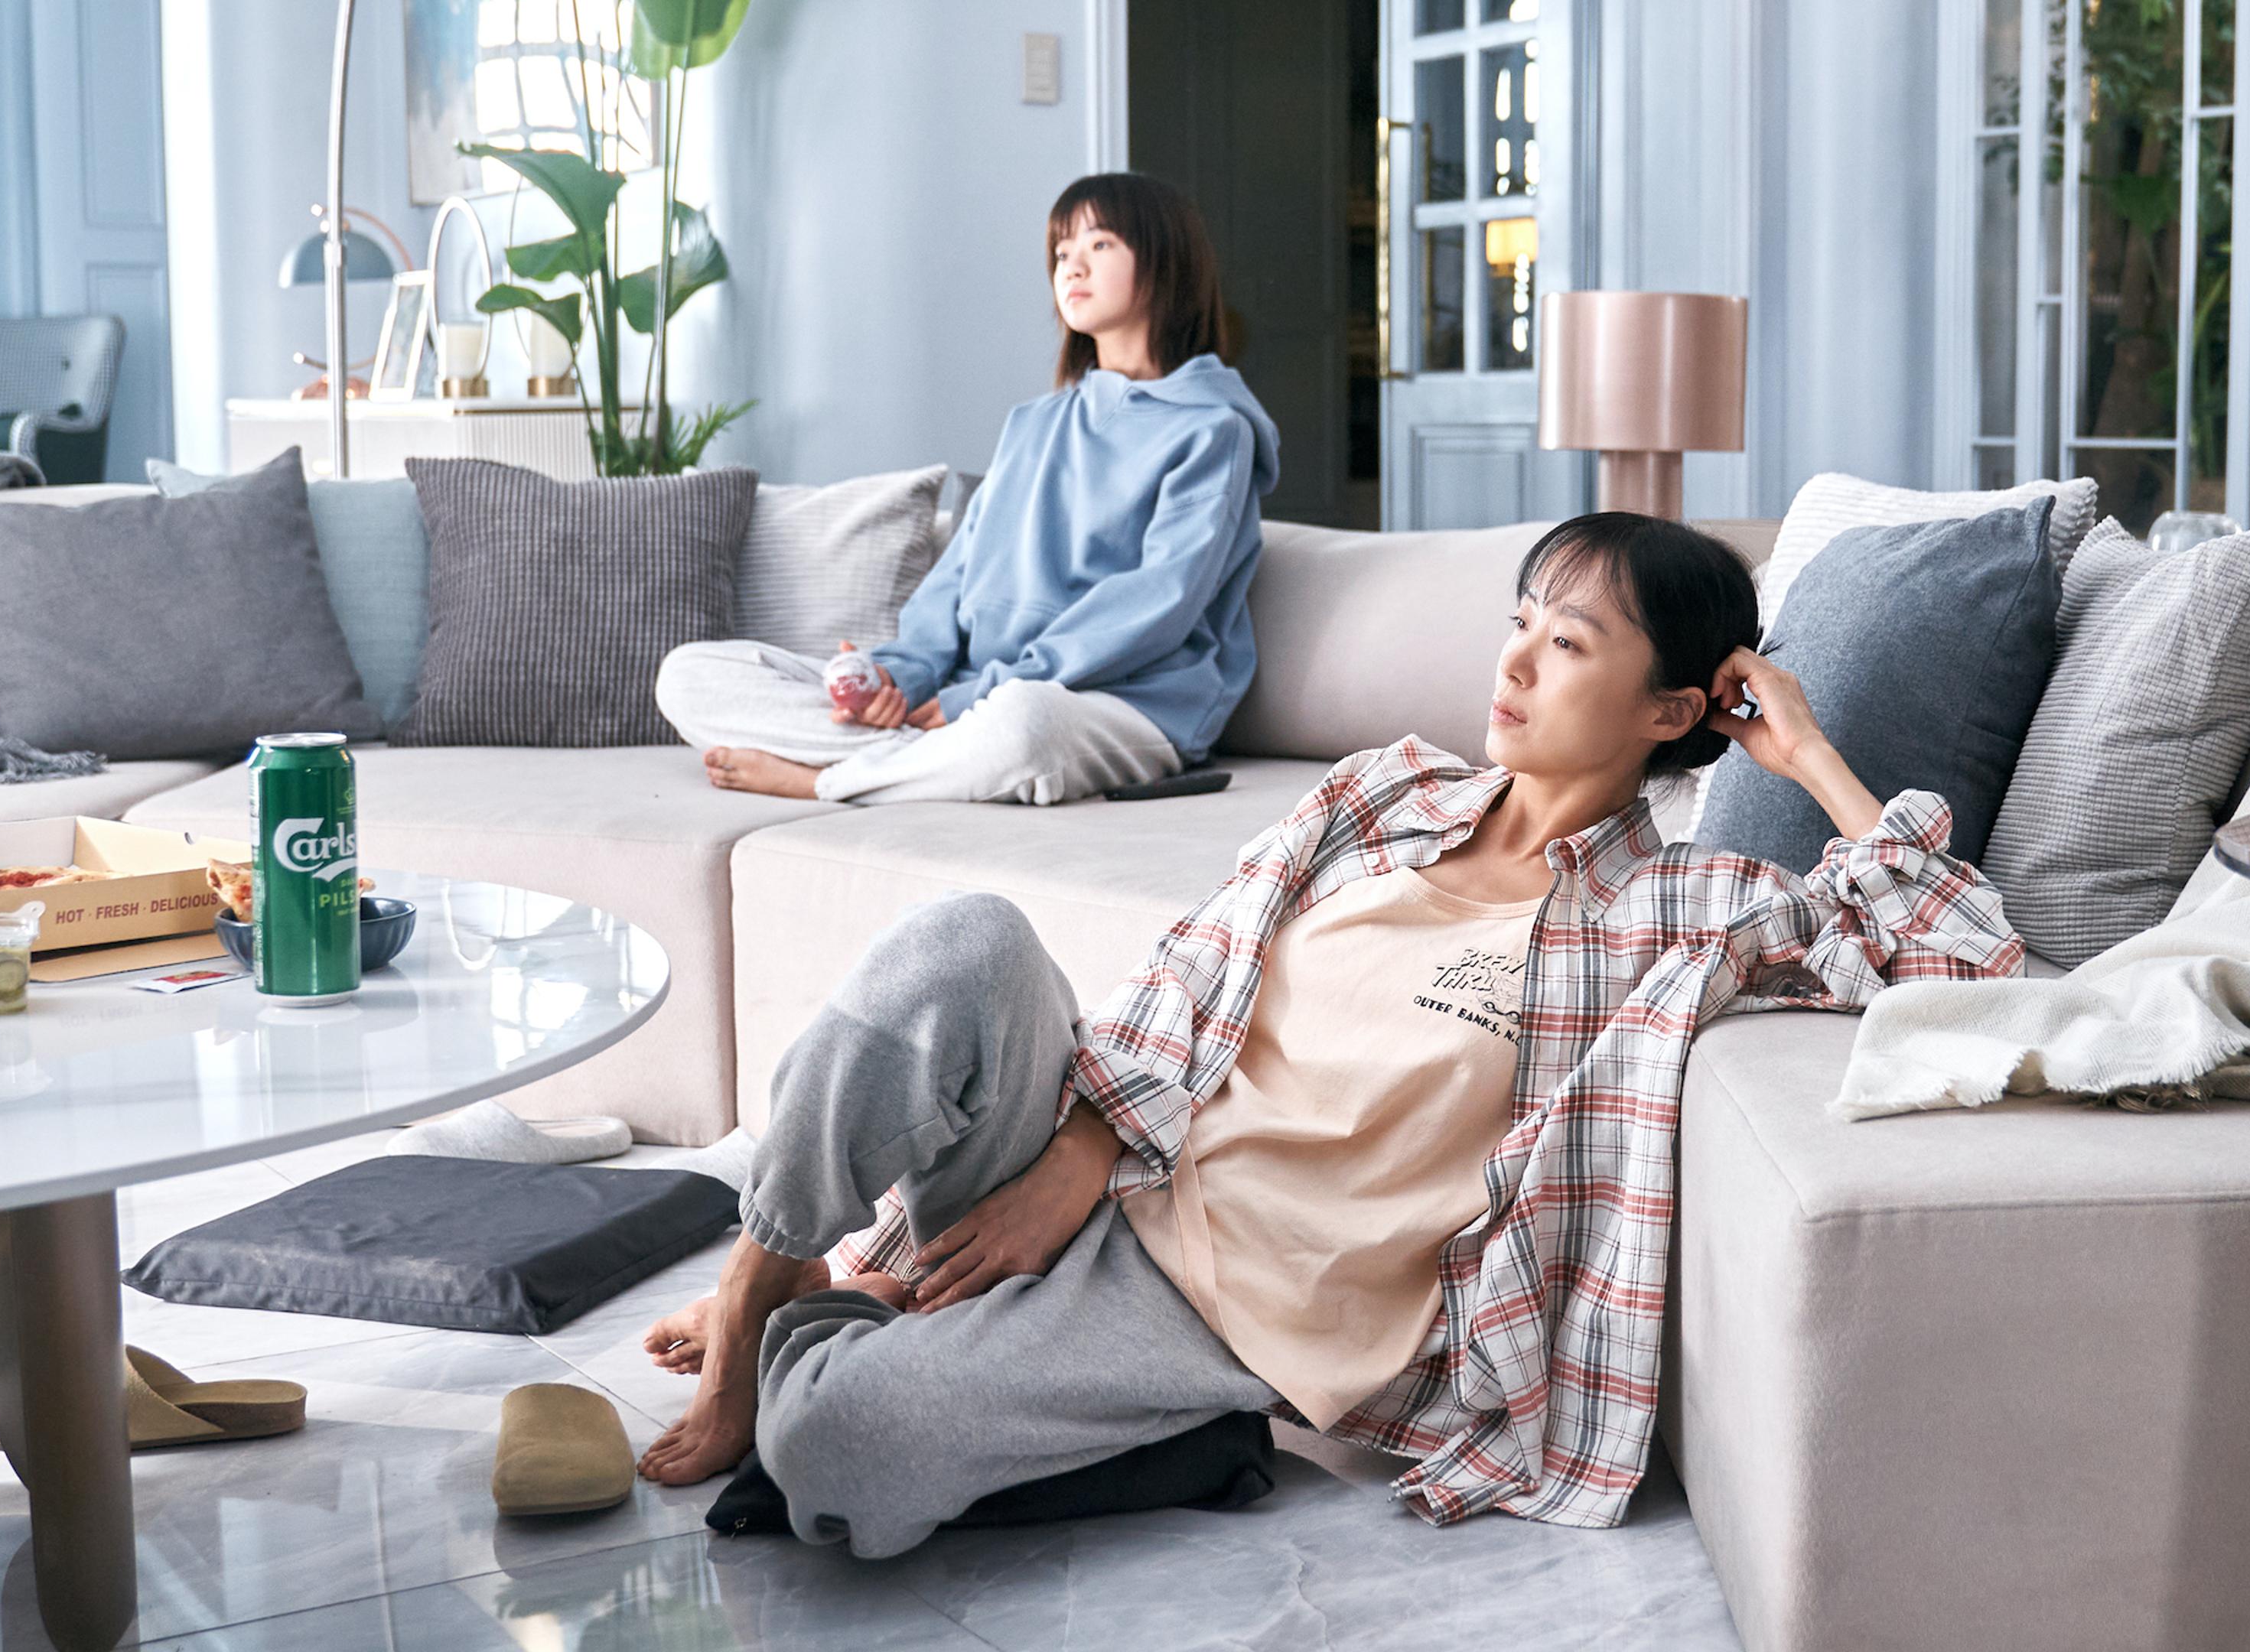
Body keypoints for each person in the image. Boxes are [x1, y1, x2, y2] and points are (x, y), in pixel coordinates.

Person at [634, 513, 2026, 1555]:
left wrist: (1808, 758)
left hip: (1218, 1312)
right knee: (965, 936)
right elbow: (1189, 972)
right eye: (1521, 620)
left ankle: (1123, 1416)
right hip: (1113, 1152)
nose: (1520, 663)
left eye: (1572, 642)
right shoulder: (1383, 795)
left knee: (838, 1452)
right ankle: (774, 1276)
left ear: (1673, 709)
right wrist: (1075, 1153)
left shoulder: (1680, 910)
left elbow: (1976, 960)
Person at [656, 172, 1278, 805]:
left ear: (1166, 262)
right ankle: (922, 764)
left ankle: (830, 781)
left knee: (1020, 726)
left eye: (1099, 246)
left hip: (1122, 703)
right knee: (689, 674)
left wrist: (983, 694)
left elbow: (1158, 604)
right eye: (1061, 253)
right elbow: (958, 574)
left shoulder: (1213, 430)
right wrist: (896, 676)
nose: (1072, 268)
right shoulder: (1033, 424)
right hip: (971, 691)